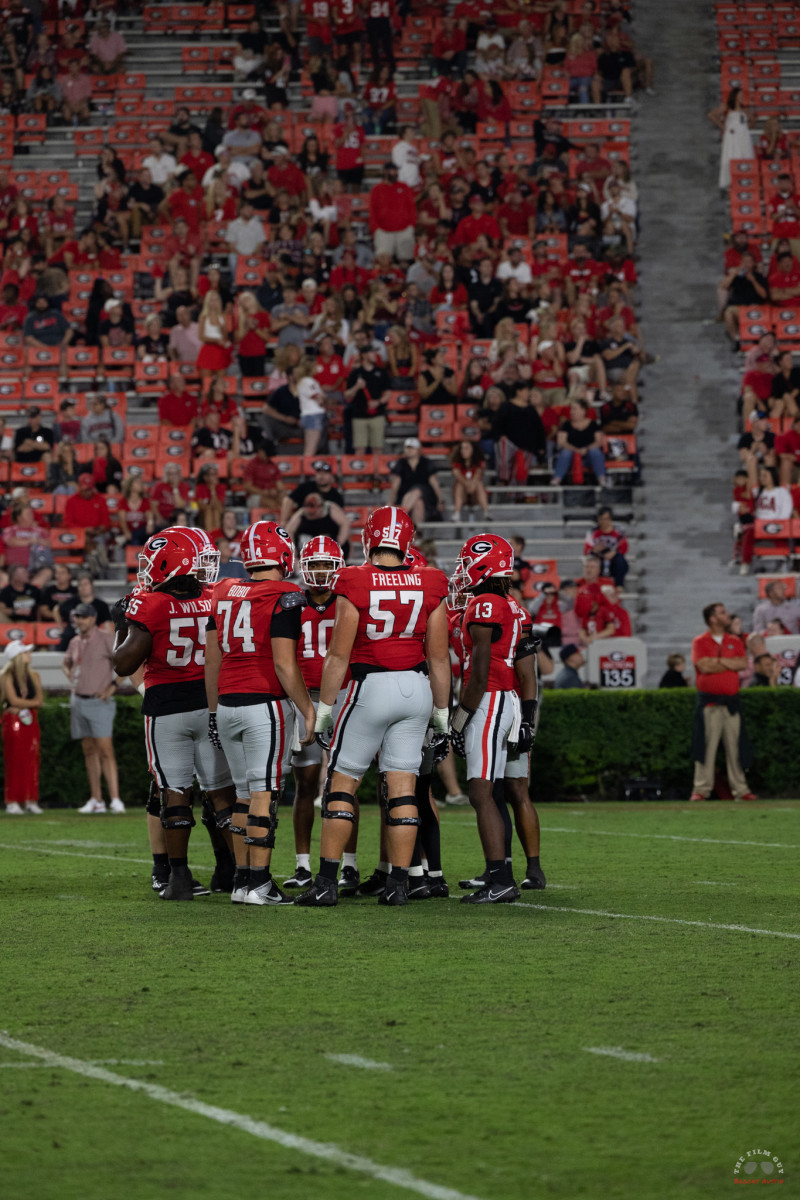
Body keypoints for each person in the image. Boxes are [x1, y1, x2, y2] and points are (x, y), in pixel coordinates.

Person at [300, 506, 450, 907]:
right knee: (402, 789)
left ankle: (328, 882)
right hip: (416, 688)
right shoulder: (431, 579)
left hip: (371, 684)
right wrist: (442, 711)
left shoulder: (354, 577)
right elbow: (439, 657)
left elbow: (338, 655)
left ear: (370, 538)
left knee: (341, 783)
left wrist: (326, 708)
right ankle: (399, 885)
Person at [112, 528, 237, 900]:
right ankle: (238, 872)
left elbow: (123, 663)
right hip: (209, 703)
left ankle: (179, 877)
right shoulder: (214, 596)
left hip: (166, 706)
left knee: (175, 792)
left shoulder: (151, 604)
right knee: (223, 795)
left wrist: (123, 625)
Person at [205, 521, 316, 906]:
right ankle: (260, 882)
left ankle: (241, 881)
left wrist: (213, 709)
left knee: (241, 795)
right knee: (263, 793)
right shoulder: (286, 594)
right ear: (283, 555)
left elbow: (211, 659)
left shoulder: (222, 590)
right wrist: (307, 709)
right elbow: (285, 665)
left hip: (228, 704)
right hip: (263, 702)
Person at [447, 534, 534, 904]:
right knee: (491, 790)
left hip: (490, 699)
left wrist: (458, 719)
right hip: (506, 698)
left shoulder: (484, 604)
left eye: (467, 562)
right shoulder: (512, 605)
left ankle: (500, 879)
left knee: (481, 793)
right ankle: (500, 874)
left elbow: (478, 674)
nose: (462, 570)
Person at [285, 537, 359, 893]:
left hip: (343, 695)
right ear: (303, 566)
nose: (319, 572)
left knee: (343, 785)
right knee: (306, 784)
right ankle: (302, 865)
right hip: (305, 700)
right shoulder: (291, 603)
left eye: (326, 565)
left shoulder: (349, 601)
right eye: (313, 565)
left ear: (338, 566)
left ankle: (349, 865)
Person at [690, 602, 757, 802]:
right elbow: (703, 666)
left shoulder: (734, 641)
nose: (727, 615)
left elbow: (743, 663)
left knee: (734, 747)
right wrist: (729, 664)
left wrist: (718, 662)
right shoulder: (700, 641)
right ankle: (701, 789)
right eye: (722, 613)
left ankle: (741, 789)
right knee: (706, 747)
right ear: (712, 618)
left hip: (731, 702)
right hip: (709, 703)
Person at [62, 603, 125, 815]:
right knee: (88, 750)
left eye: (83, 617)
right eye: (77, 616)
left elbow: (125, 664)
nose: (79, 620)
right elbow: (66, 663)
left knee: (106, 750)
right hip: (78, 700)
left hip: (100, 702)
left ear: (92, 618)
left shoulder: (106, 639)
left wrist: (113, 687)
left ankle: (115, 798)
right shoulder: (74, 641)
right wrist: (68, 673)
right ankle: (96, 799)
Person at [2, 639, 43, 814]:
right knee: (15, 759)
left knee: (33, 759)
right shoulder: (6, 676)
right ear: (17, 657)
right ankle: (13, 800)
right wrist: (28, 703)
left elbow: (39, 701)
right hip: (13, 722)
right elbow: (12, 700)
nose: (29, 655)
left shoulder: (34, 676)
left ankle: (30, 799)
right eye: (25, 652)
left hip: (30, 719)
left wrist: (22, 705)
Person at [388, 438, 444, 525]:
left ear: (418, 450)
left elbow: (434, 483)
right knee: (418, 503)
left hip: (426, 495)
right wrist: (391, 501)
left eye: (412, 448)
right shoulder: (401, 463)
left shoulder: (426, 462)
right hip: (405, 495)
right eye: (407, 448)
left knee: (417, 491)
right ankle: (416, 532)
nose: (409, 450)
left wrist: (441, 500)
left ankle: (399, 519)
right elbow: (396, 484)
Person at [709, 86, 755, 190]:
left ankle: (744, 179)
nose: (742, 97)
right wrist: (722, 126)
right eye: (740, 95)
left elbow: (752, 124)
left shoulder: (745, 110)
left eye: (743, 95)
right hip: (732, 137)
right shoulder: (727, 107)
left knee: (745, 156)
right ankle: (730, 181)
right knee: (732, 156)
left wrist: (750, 120)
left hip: (744, 137)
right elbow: (711, 115)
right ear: (735, 96)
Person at [583, 507, 629, 587]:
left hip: (613, 560)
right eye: (601, 519)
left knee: (621, 561)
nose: (603, 522)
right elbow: (586, 550)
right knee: (592, 562)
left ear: (610, 519)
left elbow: (624, 548)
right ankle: (593, 585)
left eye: (606, 519)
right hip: (598, 558)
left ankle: (619, 585)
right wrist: (594, 550)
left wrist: (614, 552)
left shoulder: (619, 531)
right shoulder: (592, 532)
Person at [450, 440, 490, 522]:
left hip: (475, 494)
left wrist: (472, 486)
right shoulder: (456, 462)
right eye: (462, 448)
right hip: (463, 494)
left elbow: (477, 476)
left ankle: (486, 513)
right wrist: (467, 485)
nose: (463, 451)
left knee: (478, 484)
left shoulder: (479, 462)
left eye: (466, 448)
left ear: (473, 450)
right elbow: (458, 476)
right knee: (459, 484)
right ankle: (457, 514)